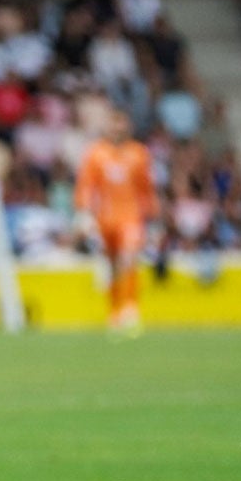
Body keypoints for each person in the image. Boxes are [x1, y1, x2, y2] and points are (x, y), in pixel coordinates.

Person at [74, 107, 158, 334]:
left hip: (131, 217)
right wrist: (83, 213)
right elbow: (86, 185)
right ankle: (114, 311)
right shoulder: (96, 153)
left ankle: (130, 308)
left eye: (121, 123)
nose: (117, 128)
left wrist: (153, 217)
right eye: (113, 123)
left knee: (128, 257)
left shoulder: (139, 153)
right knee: (111, 266)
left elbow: (146, 188)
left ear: (128, 126)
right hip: (105, 218)